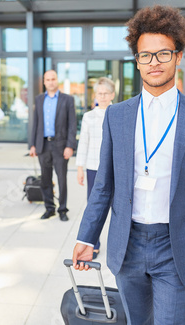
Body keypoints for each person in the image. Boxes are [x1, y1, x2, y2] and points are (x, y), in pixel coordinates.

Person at [72, 5, 185, 325]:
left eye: (163, 53)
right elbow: (104, 184)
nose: (154, 62)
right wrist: (87, 238)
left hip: (177, 246)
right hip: (127, 245)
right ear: (137, 60)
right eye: (146, 55)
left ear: (178, 56)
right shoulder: (117, 115)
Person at [75, 77, 115, 259]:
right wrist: (80, 168)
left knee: (119, 207)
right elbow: (83, 143)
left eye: (106, 93)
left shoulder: (118, 113)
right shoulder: (88, 117)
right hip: (93, 167)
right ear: (95, 95)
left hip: (115, 168)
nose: (103, 96)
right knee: (94, 206)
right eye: (100, 93)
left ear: (112, 94)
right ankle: (93, 242)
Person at [29, 70, 77, 222]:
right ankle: (49, 209)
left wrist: (70, 146)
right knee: (45, 180)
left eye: (53, 79)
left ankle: (62, 209)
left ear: (57, 80)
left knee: (61, 179)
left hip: (61, 146)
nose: (50, 82)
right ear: (44, 82)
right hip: (43, 146)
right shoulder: (39, 99)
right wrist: (32, 145)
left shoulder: (67, 99)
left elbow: (72, 125)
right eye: (47, 79)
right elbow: (35, 123)